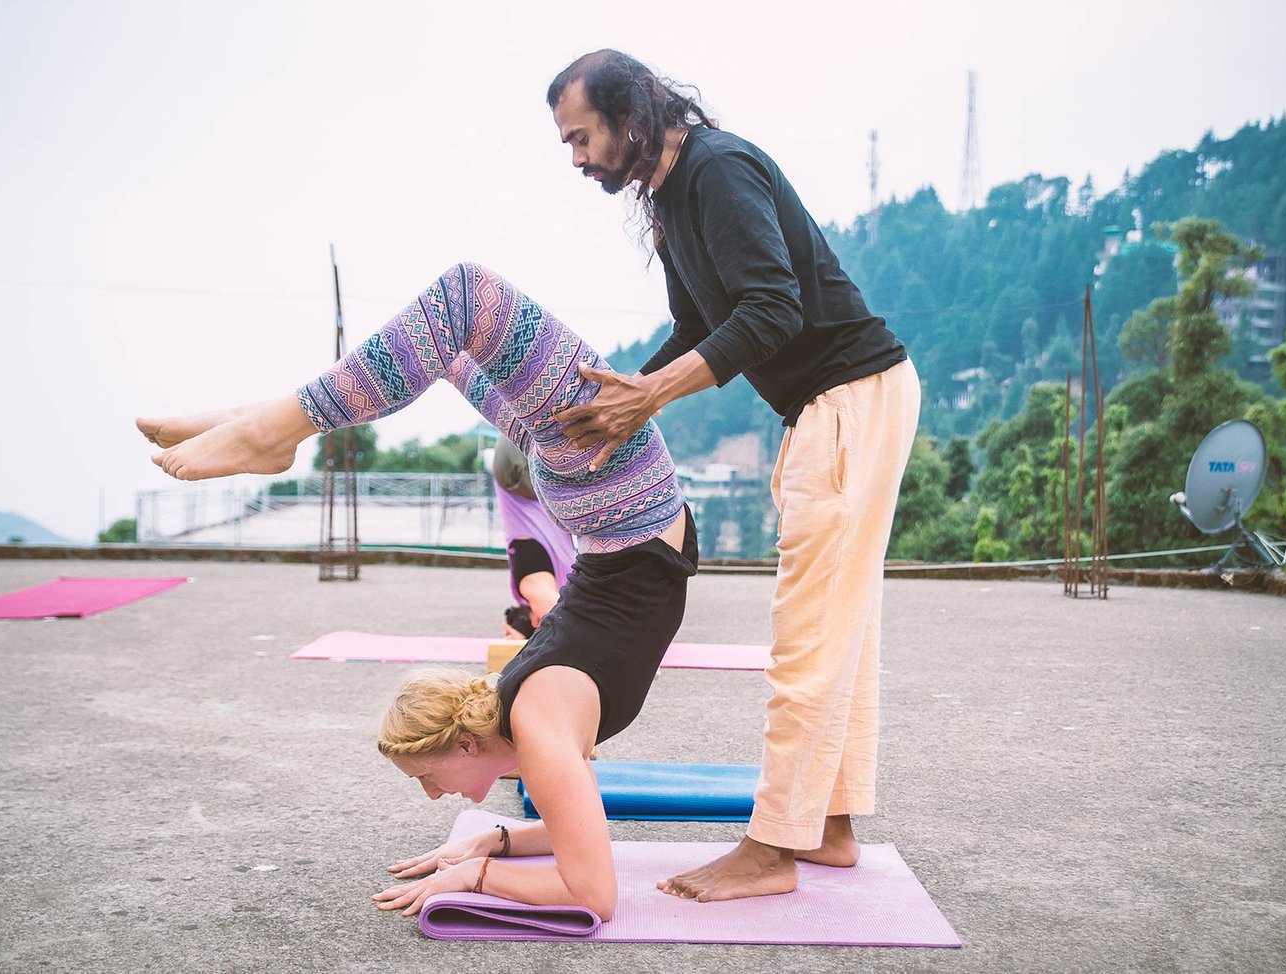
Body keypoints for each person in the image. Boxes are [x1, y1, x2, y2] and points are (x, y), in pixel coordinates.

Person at [137, 262, 697, 920]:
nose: (435, 799)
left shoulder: (538, 725)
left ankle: (268, 426)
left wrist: (476, 877)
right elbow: (585, 832)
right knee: (453, 338)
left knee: (462, 308)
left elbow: (591, 896)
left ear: (465, 747)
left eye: (429, 778)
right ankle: (271, 421)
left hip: (612, 491)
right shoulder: (536, 726)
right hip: (606, 491)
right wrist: (493, 841)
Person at [546, 50, 922, 903]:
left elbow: (772, 308)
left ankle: (771, 847)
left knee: (808, 633)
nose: (574, 159)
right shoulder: (670, 195)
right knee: (843, 631)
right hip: (840, 405)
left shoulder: (717, 169)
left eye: (580, 138)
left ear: (628, 113)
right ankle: (827, 825)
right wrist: (621, 397)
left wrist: (646, 399)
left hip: (849, 398)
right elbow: (695, 326)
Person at [490, 436, 574, 639]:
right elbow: (562, 618)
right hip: (527, 473)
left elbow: (560, 617)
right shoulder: (546, 586)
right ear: (537, 621)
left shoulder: (530, 580)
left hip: (519, 471)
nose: (505, 636)